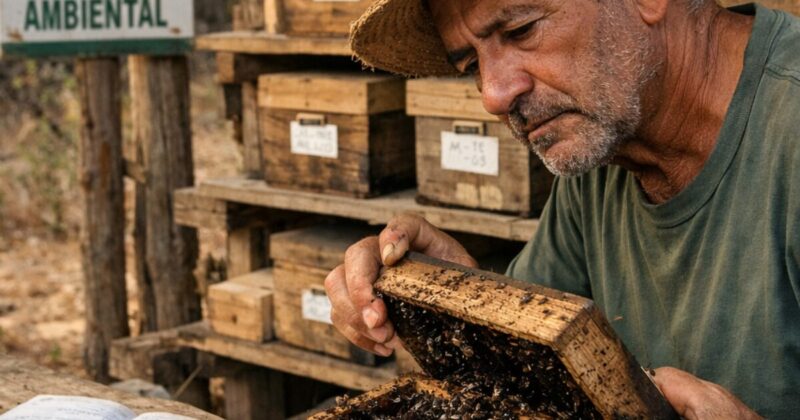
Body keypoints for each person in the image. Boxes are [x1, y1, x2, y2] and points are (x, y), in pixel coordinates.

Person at [324, 0, 800, 418]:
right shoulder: (606, 139)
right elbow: (528, 379)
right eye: (471, 64)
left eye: (521, 30)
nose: (494, 95)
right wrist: (458, 303)